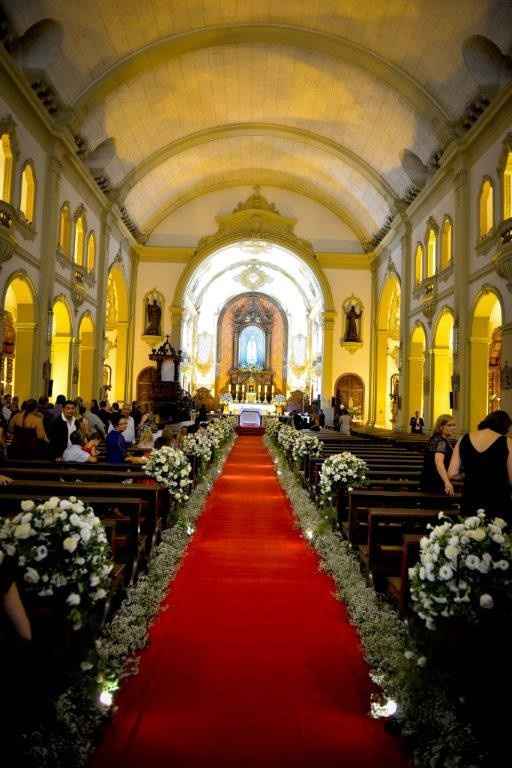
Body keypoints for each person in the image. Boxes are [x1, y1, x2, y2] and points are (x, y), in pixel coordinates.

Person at [448, 410, 512, 519]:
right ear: (504, 426)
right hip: (498, 500)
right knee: (497, 534)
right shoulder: (507, 442)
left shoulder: (464, 438)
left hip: (471, 497)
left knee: (471, 533)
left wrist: (466, 475)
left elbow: (452, 473)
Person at [420, 414, 456, 495]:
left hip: (429, 479)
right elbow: (439, 463)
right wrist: (446, 482)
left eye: (454, 425)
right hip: (436, 482)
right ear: (441, 427)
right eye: (449, 425)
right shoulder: (441, 442)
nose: (453, 428)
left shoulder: (435, 438)